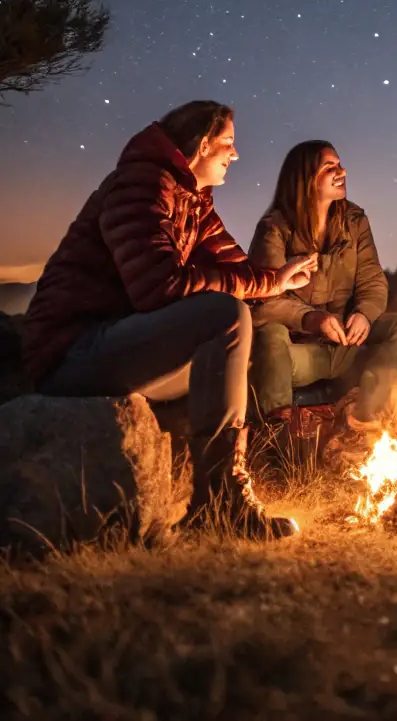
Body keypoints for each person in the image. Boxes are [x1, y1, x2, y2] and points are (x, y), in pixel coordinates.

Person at [21, 102, 315, 539]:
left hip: (119, 347)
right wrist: (252, 287)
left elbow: (235, 266)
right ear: (202, 144)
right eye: (228, 143)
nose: (235, 154)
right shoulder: (139, 187)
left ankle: (214, 496)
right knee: (225, 316)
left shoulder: (192, 200)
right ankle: (222, 500)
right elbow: (159, 287)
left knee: (238, 342)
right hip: (73, 352)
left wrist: (277, 280)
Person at [248, 140, 397, 458]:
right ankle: (282, 451)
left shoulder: (354, 222)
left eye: (339, 164)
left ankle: (366, 425)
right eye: (330, 167)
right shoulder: (274, 229)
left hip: (346, 344)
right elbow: (264, 300)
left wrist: (364, 314)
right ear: (305, 179)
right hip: (300, 353)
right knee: (270, 336)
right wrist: (311, 319)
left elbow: (372, 280)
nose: (342, 171)